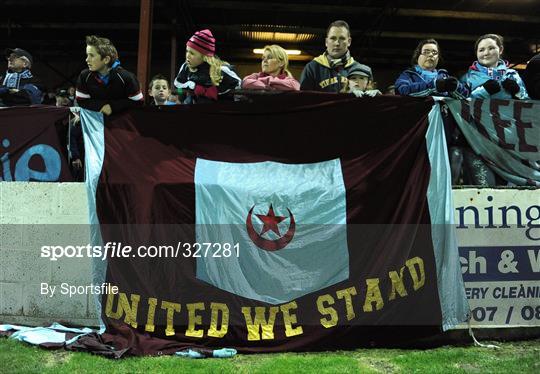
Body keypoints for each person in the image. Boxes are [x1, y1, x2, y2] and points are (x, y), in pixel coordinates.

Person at [75, 35, 144, 115]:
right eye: (87, 55)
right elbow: (81, 100)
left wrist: (112, 106)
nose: (87, 59)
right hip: (95, 123)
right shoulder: (84, 76)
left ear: (106, 59)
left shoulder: (127, 77)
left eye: (92, 55)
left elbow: (138, 102)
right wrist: (101, 106)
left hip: (121, 124)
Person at [174, 29, 241, 104]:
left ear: (204, 56)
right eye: (187, 51)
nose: (187, 56)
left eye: (192, 53)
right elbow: (177, 84)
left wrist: (219, 91)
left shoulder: (222, 69)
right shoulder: (186, 66)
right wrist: (193, 86)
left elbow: (238, 84)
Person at [300, 20, 365, 92]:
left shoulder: (361, 70)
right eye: (333, 38)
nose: (337, 43)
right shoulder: (312, 68)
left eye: (342, 38)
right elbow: (304, 100)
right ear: (326, 42)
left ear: (349, 42)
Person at [395, 39, 469, 99]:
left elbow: (465, 96)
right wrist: (433, 85)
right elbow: (401, 91)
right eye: (426, 52)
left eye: (434, 52)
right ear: (418, 56)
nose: (431, 55)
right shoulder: (408, 75)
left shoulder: (444, 76)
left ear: (438, 58)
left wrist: (456, 87)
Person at [463, 34, 529, 100]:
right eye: (481, 50)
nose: (486, 53)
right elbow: (458, 104)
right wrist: (483, 92)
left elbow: (529, 104)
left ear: (500, 50)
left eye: (491, 48)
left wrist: (518, 91)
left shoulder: (512, 75)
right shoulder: (468, 78)